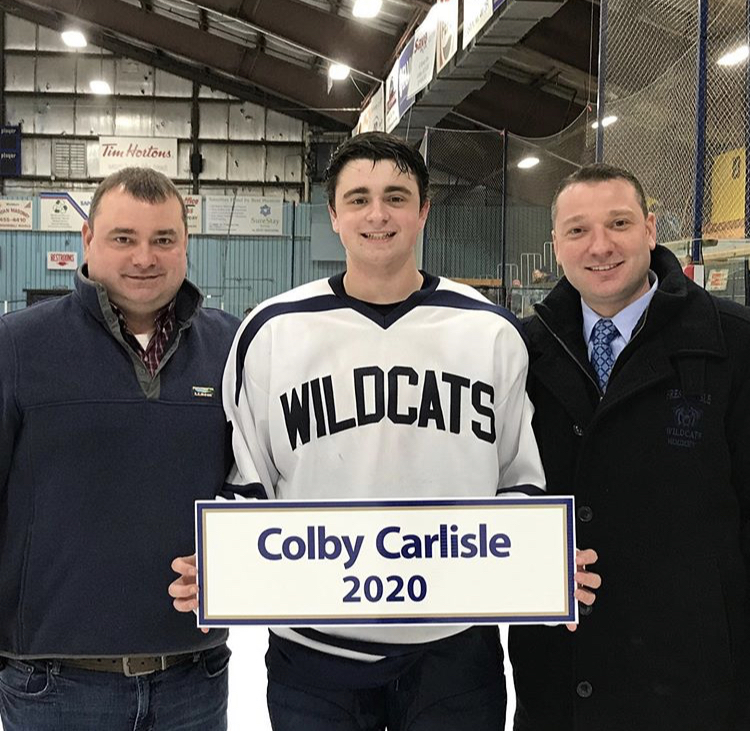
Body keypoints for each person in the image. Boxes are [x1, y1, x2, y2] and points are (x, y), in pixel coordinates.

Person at [170, 132, 600, 731]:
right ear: (334, 216)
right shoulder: (271, 330)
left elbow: (516, 479)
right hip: (315, 653)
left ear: (424, 210)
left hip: (454, 648)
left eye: (397, 196)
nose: (378, 214)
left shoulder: (490, 332)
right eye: (360, 198)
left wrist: (542, 562)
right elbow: (251, 482)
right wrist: (222, 569)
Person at [509, 162, 750, 731]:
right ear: (556, 245)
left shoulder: (734, 343)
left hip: (695, 680)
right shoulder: (519, 352)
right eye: (577, 230)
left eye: (618, 223)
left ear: (649, 228)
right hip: (559, 675)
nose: (600, 246)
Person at [0, 167, 239, 730]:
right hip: (53, 686)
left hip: (193, 679)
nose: (144, 258)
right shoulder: (17, 346)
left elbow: (259, 488)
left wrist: (238, 563)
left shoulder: (233, 348)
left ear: (186, 244)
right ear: (87, 240)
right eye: (123, 238)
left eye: (163, 240)